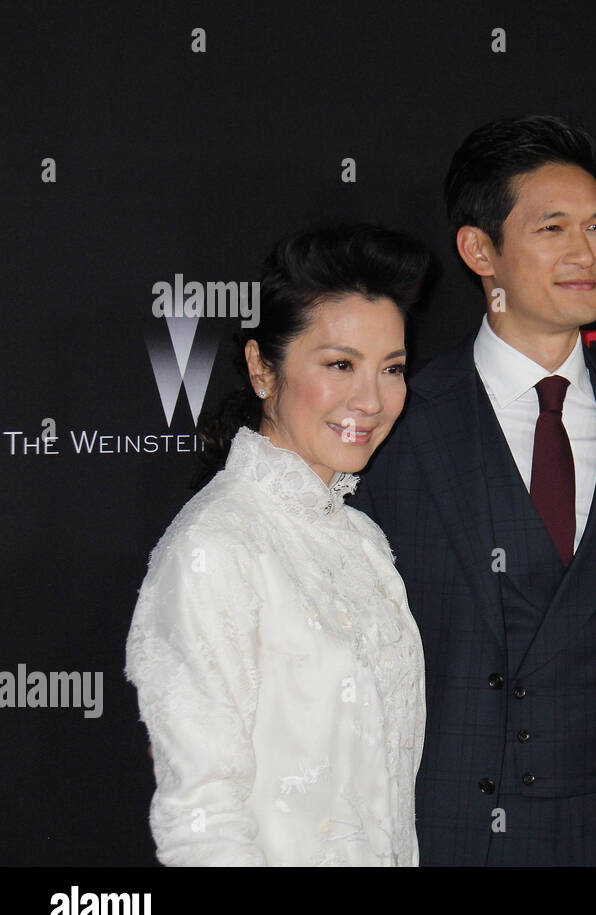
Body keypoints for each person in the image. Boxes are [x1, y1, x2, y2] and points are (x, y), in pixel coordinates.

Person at [350, 116, 596, 865]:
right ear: (481, 250)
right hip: (457, 825)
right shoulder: (396, 419)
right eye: (553, 228)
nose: (585, 254)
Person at [125, 223, 431, 866]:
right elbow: (201, 821)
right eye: (340, 364)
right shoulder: (215, 548)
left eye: (393, 368)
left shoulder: (361, 538)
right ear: (264, 368)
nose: (371, 399)